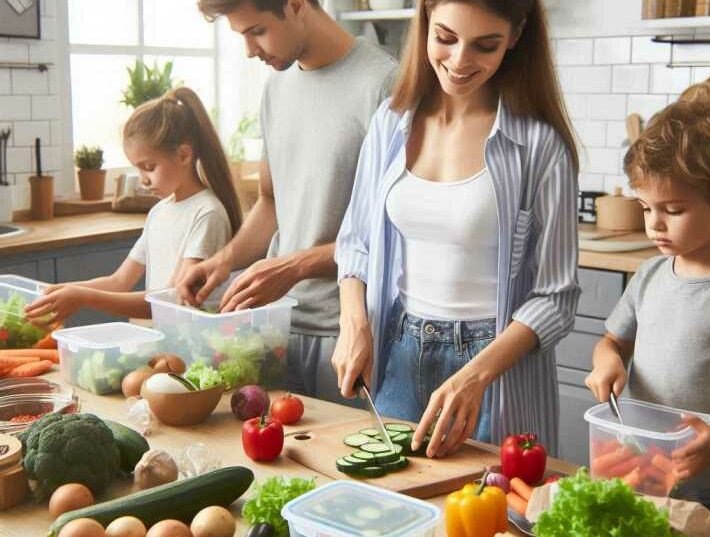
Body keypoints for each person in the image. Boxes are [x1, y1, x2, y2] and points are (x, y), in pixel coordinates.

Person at [331, 0, 580, 459]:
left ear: (516, 36)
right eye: (445, 38)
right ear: (423, 21)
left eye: (485, 45)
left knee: (490, 521)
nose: (460, 61)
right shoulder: (391, 123)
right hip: (400, 352)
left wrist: (476, 375)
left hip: (494, 368)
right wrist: (354, 322)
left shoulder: (539, 146)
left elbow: (556, 298)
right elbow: (355, 244)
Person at [177, 0, 397, 402]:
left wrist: (293, 267)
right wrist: (224, 260)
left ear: (296, 5)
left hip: (349, 335)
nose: (249, 50)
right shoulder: (277, 88)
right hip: (275, 330)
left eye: (257, 31)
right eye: (241, 35)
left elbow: (395, 233)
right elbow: (271, 200)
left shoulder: (384, 85)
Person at [585, 97, 710, 494]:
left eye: (674, 210)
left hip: (706, 489)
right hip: (641, 469)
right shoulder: (651, 274)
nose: (655, 224)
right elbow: (612, 341)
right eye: (645, 207)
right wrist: (606, 362)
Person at [25, 87, 241, 325]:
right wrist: (58, 290)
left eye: (149, 167)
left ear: (183, 155)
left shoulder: (207, 213)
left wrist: (83, 297)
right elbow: (119, 281)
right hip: (159, 343)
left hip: (189, 346)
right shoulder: (159, 212)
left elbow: (171, 300)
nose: (143, 179)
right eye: (138, 169)